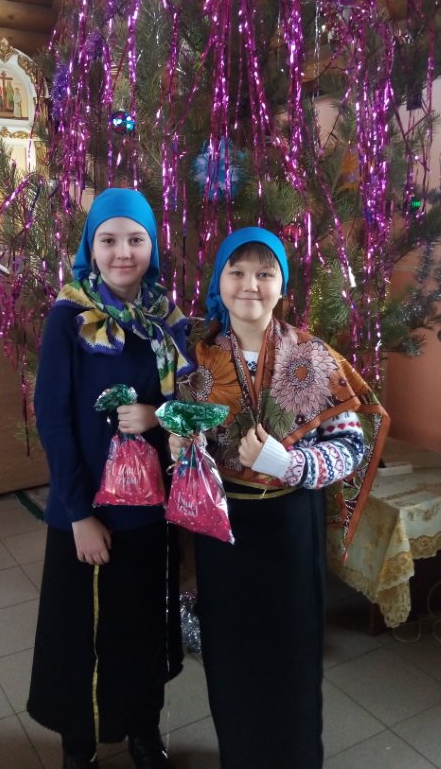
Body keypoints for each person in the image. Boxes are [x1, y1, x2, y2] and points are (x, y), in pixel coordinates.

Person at [169, 227, 389, 769]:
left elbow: (353, 444)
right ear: (219, 281)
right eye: (237, 272)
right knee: (230, 653)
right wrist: (181, 443)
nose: (250, 284)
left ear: (282, 285)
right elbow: (182, 431)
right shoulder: (196, 360)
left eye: (264, 273)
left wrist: (291, 464)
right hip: (224, 529)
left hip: (291, 526)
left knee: (292, 654)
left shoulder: (314, 357)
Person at [27, 188, 193, 769]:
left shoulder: (167, 321)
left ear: (152, 245)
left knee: (142, 627)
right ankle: (78, 742)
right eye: (109, 239)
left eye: (136, 239)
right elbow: (52, 417)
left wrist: (157, 415)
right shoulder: (68, 318)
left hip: (150, 509)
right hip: (88, 512)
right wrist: (78, 513)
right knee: (79, 633)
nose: (123, 252)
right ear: (90, 247)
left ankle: (143, 730)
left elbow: (192, 404)